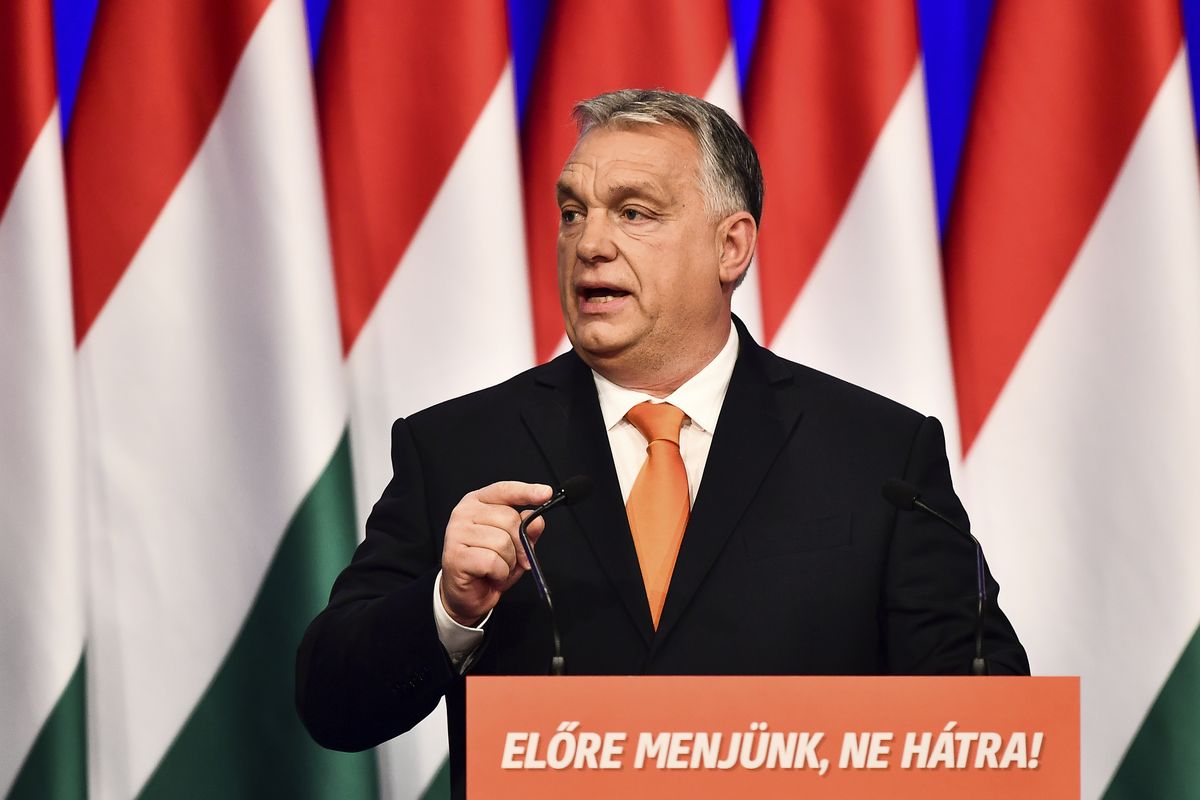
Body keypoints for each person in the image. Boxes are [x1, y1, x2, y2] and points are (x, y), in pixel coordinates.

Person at [296, 89, 1028, 796]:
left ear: (731, 246)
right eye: (572, 212)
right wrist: (450, 609)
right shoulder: (460, 447)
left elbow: (987, 724)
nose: (590, 243)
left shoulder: (876, 457)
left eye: (634, 213)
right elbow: (333, 704)